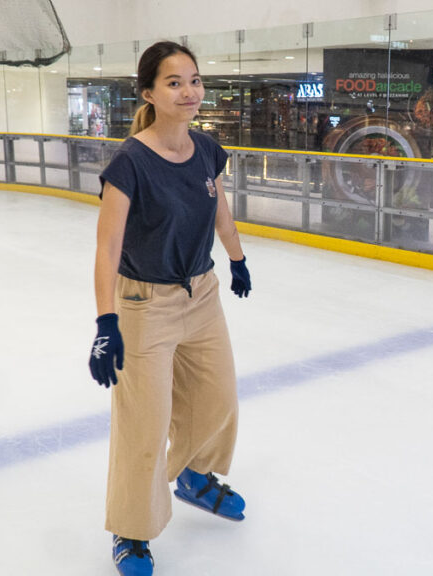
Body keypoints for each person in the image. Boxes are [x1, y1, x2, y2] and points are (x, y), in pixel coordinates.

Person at [88, 41, 252, 576]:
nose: (189, 91)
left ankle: (193, 477)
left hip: (200, 292)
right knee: (144, 423)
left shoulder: (206, 149)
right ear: (149, 94)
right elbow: (107, 249)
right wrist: (105, 321)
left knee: (218, 397)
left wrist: (237, 260)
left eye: (195, 80)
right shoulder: (130, 162)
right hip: (144, 305)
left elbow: (221, 215)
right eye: (175, 82)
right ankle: (130, 529)